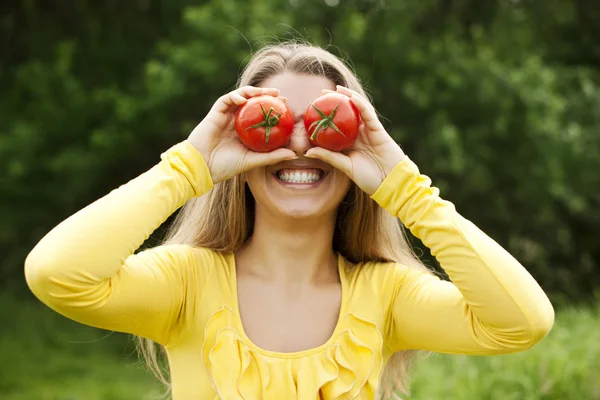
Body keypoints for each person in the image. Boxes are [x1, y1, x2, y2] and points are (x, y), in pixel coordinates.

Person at [25, 42, 554, 400]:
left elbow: (521, 323)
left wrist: (404, 187)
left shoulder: (386, 296)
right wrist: (190, 166)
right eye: (273, 125)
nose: (301, 144)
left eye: (326, 127)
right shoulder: (188, 283)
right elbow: (57, 273)